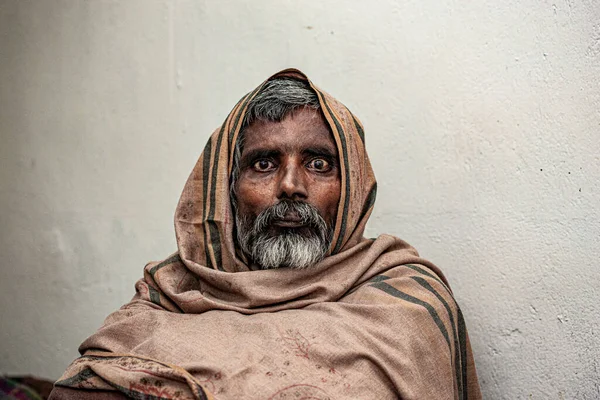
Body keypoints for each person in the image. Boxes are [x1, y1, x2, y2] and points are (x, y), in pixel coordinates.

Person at [49, 69, 482, 400]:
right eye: (263, 163)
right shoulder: (171, 293)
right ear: (226, 189)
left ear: (352, 189)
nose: (291, 185)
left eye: (318, 164)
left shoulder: (408, 304)